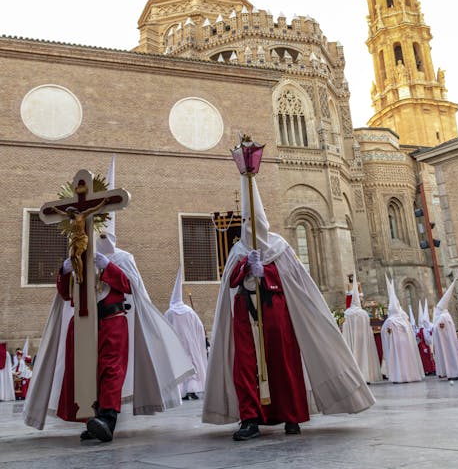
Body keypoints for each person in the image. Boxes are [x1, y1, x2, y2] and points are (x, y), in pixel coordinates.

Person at [24, 168, 194, 442]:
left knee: (111, 369)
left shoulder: (123, 258)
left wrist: (109, 267)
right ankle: (93, 418)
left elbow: (130, 287)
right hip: (82, 322)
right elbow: (66, 295)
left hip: (113, 319)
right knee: (85, 372)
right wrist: (65, 270)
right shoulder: (78, 254)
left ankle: (107, 419)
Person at [202, 174, 375, 441]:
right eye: (248, 221)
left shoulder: (280, 247)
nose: (252, 226)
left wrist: (266, 272)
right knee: (245, 366)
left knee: (283, 363)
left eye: (255, 220)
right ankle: (250, 418)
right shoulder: (238, 250)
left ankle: (291, 415)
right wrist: (245, 266)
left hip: (276, 312)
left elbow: (296, 282)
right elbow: (231, 283)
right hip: (244, 313)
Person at [165, 266, 208, 400]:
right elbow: (199, 327)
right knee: (192, 365)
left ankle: (182, 392)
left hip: (177, 346)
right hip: (191, 345)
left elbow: (164, 330)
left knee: (179, 367)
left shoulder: (169, 313)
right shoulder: (189, 311)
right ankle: (192, 390)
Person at [381, 277, 424, 383]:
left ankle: (400, 376)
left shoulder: (390, 320)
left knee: (398, 359)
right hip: (406, 343)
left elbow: (384, 332)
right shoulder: (403, 319)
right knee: (406, 358)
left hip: (396, 344)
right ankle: (410, 375)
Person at [342, 272, 382, 384]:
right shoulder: (364, 314)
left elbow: (345, 329)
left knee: (354, 351)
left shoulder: (348, 314)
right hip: (363, 338)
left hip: (352, 338)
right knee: (363, 353)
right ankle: (366, 375)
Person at [432, 280, 458, 380]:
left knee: (450, 357)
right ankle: (456, 372)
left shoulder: (442, 317)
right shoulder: (447, 315)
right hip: (449, 342)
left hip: (446, 343)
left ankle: (453, 373)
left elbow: (437, 328)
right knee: (453, 355)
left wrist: (433, 327)